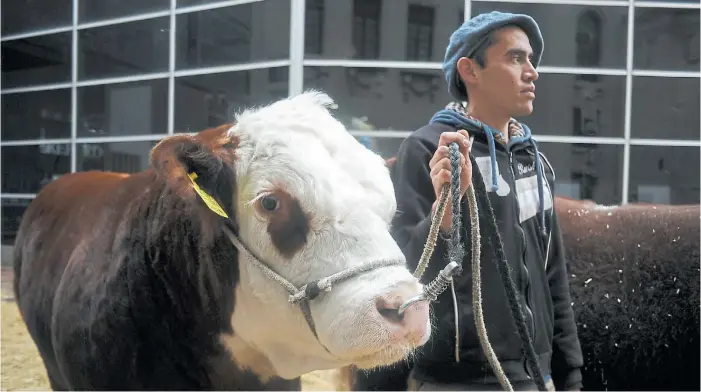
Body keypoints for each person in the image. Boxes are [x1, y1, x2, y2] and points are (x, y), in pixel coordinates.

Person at [389, 11, 584, 391]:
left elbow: (553, 277)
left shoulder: (534, 161)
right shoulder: (428, 149)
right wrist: (443, 219)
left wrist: (569, 372)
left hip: (536, 378)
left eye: (531, 59)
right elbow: (403, 274)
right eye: (515, 58)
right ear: (470, 71)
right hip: (456, 382)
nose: (532, 72)